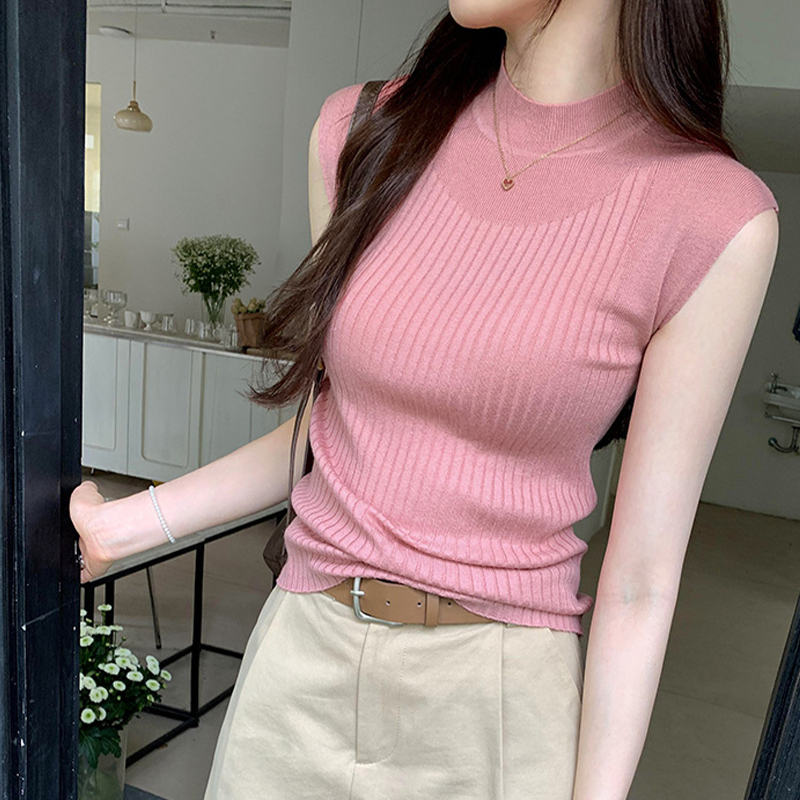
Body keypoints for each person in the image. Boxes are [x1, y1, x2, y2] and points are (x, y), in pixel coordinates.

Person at [70, 1, 780, 798]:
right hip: (301, 659)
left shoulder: (710, 213)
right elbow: (332, 429)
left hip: (496, 704)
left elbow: (642, 578)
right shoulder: (364, 131)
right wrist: (126, 526)